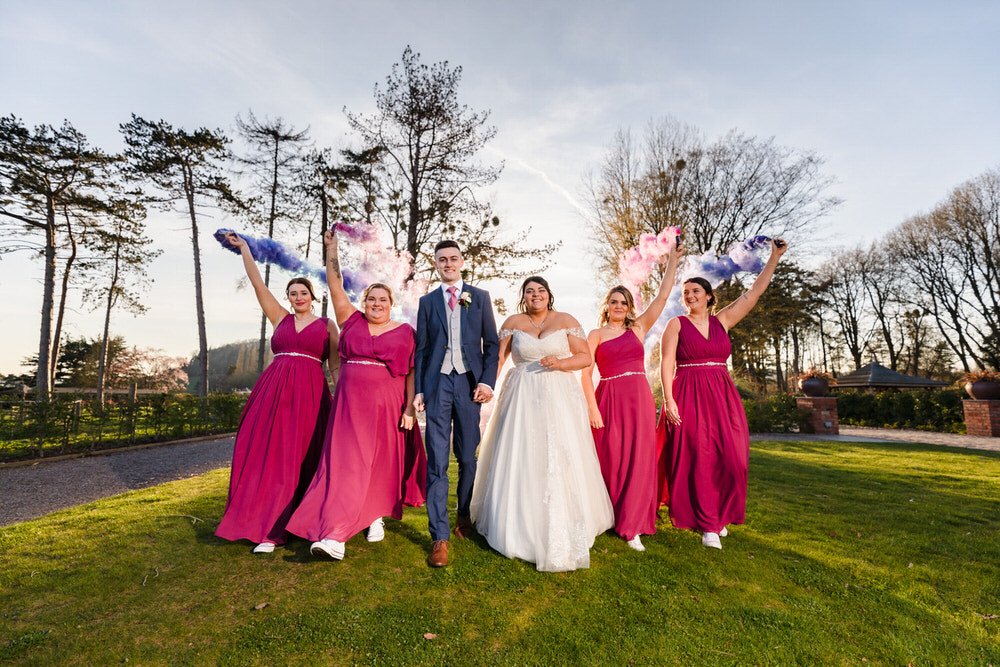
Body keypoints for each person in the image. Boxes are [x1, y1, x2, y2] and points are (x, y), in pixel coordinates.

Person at [286, 229, 425, 560]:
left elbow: (409, 372)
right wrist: (331, 248)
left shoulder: (406, 332)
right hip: (350, 406)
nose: (376, 304)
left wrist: (409, 410)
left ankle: (374, 515)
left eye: (383, 300)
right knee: (345, 465)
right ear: (364, 303)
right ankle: (335, 536)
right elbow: (335, 285)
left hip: (388, 405)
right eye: (371, 299)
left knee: (378, 464)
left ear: (392, 305)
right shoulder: (351, 321)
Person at [470, 276, 614, 572]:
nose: (535, 295)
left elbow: (585, 358)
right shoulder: (513, 321)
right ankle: (518, 524)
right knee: (521, 454)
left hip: (558, 395)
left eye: (540, 291)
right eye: (529, 291)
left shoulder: (566, 320)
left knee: (559, 453)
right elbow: (498, 359)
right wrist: (488, 385)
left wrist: (560, 363)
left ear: (549, 295)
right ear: (524, 297)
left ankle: (563, 521)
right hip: (521, 394)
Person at [658, 239, 788, 549]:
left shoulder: (723, 321)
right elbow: (665, 364)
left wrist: (774, 257)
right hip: (687, 392)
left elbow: (754, 292)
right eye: (686, 292)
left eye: (695, 291)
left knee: (733, 457)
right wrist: (669, 400)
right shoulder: (675, 325)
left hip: (722, 394)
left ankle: (721, 513)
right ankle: (708, 526)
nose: (689, 295)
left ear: (709, 297)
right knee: (699, 458)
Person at [215, 233, 338, 554]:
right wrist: (245, 249)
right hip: (273, 395)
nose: (298, 297)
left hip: (310, 398)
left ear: (314, 296)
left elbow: (336, 368)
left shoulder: (327, 326)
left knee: (301, 460)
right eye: (292, 293)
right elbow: (258, 284)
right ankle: (267, 530)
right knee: (268, 458)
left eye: (303, 293)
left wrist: (342, 400)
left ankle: (301, 522)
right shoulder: (279, 318)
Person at [581, 248, 680, 552]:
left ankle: (633, 523)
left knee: (639, 460)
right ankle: (605, 515)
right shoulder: (595, 334)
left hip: (638, 399)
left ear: (629, 307)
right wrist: (592, 408)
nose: (619, 306)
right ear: (606, 305)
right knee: (609, 458)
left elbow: (662, 299)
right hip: (608, 400)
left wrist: (673, 260)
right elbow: (585, 375)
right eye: (614, 301)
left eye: (624, 302)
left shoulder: (637, 328)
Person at [413, 240, 499, 568]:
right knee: (436, 460)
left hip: (468, 384)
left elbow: (490, 344)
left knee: (467, 458)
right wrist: (420, 389)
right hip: (437, 386)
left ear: (461, 261)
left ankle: (463, 517)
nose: (448, 263)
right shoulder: (427, 302)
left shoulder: (479, 298)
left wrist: (486, 381)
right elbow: (422, 349)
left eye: (453, 258)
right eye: (441, 259)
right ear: (435, 264)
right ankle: (440, 536)